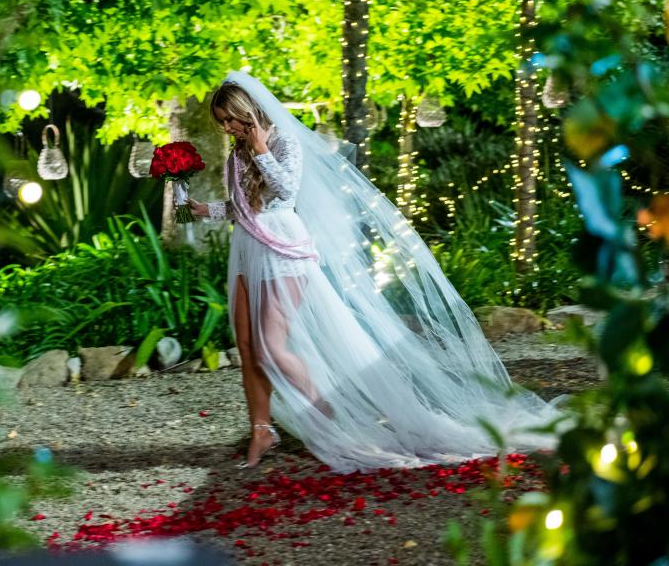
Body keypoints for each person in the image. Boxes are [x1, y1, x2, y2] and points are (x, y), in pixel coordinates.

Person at [188, 72, 564, 471]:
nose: (227, 129)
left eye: (230, 120)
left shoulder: (283, 141)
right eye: (222, 123)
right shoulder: (237, 154)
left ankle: (329, 412)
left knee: (270, 346)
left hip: (282, 248)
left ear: (247, 111)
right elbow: (241, 209)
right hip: (246, 248)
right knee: (247, 347)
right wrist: (201, 209)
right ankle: (262, 429)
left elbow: (285, 193)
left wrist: (262, 149)